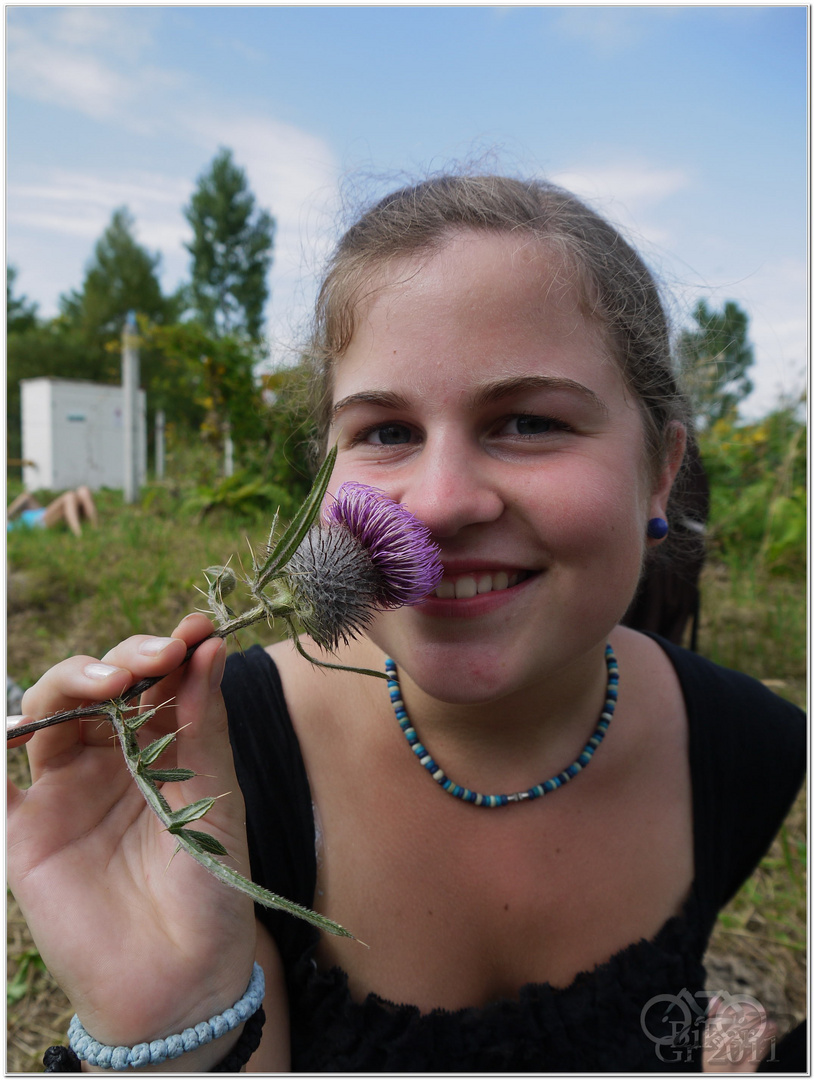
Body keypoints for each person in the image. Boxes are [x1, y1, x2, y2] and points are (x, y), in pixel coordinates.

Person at [7, 175, 805, 1073]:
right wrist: (174, 1023)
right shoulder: (213, 772)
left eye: (530, 421)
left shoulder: (755, 748)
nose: (439, 502)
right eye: (386, 431)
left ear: (660, 470)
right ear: (324, 471)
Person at [7, 486, 98, 538]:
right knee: (69, 496)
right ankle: (79, 535)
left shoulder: (28, 510)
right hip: (40, 522)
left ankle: (96, 531)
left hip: (44, 512)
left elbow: (26, 496)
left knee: (83, 490)